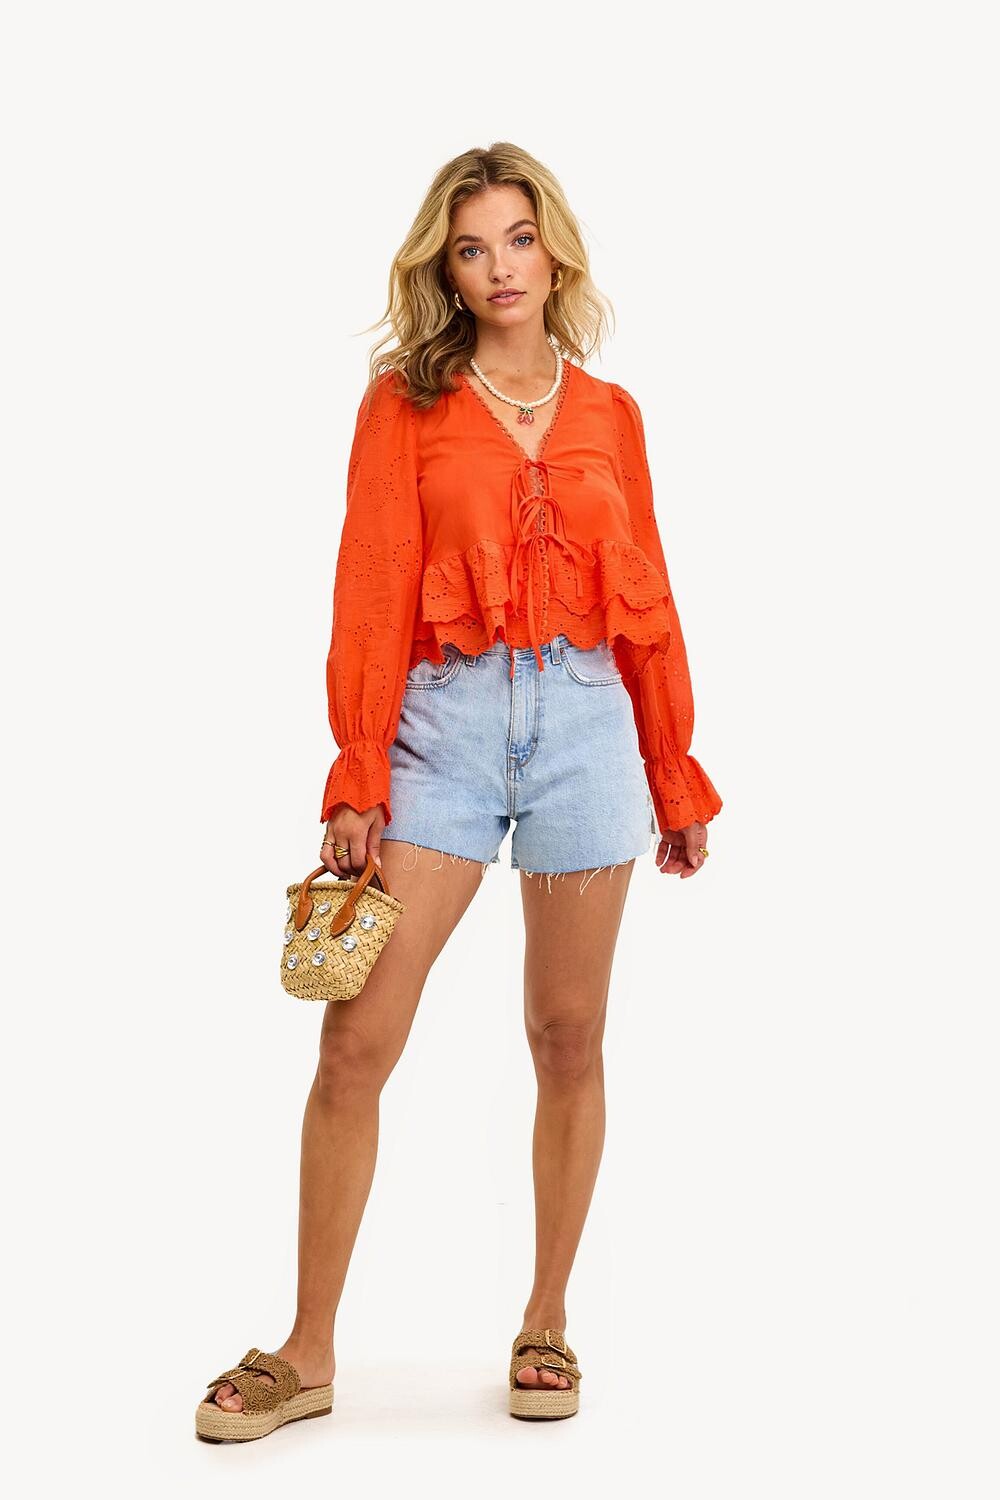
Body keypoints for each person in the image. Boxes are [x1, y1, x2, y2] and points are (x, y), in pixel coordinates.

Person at [195, 141, 722, 1442]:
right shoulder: (405, 405)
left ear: (555, 252)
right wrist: (358, 770)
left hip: (590, 725)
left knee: (568, 1036)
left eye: (519, 240)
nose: (500, 268)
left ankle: (546, 1319)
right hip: (445, 727)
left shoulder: (613, 413)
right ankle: (308, 1348)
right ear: (446, 267)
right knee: (355, 1040)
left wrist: (672, 768)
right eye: (473, 247)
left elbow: (649, 593)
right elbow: (372, 588)